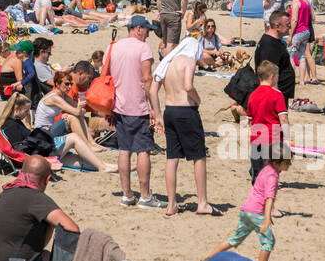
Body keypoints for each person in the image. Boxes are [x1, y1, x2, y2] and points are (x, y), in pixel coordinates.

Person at [200, 144, 290, 261]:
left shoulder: (265, 169)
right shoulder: (273, 176)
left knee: (235, 239)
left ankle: (209, 257)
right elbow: (269, 198)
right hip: (256, 213)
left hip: (246, 211)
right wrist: (267, 218)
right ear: (276, 162)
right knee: (268, 242)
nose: (289, 166)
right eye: (287, 163)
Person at [111, 16, 164, 209]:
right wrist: (155, 110)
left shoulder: (114, 47)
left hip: (119, 105)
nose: (149, 33)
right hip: (138, 105)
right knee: (143, 150)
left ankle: (126, 195)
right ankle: (145, 196)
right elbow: (147, 79)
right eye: (147, 30)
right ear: (138, 28)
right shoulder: (143, 48)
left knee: (124, 150)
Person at [157, 47, 215, 217]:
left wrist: (157, 112)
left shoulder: (168, 62)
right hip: (185, 111)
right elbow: (188, 86)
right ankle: (202, 202)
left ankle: (171, 203)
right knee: (199, 156)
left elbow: (154, 86)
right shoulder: (188, 61)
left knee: (172, 157)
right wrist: (198, 100)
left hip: (169, 110)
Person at [32, 75, 117, 172]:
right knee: (72, 117)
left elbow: (81, 112)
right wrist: (78, 109)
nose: (69, 87)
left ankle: (92, 143)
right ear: (57, 84)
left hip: (50, 129)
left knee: (76, 116)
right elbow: (76, 111)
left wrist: (80, 108)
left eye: (70, 84)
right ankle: (88, 145)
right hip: (42, 132)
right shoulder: (55, 97)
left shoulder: (64, 96)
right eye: (66, 84)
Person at [245, 59, 289, 182]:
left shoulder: (252, 95)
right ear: (271, 76)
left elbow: (249, 120)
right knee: (271, 173)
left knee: (257, 173)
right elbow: (283, 119)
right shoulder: (277, 95)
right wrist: (286, 139)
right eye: (277, 77)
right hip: (272, 139)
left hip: (256, 140)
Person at [254, 10, 295, 101]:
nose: (290, 27)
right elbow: (268, 74)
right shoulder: (270, 45)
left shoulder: (274, 41)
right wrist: (275, 96)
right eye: (288, 25)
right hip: (275, 95)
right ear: (277, 26)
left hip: (280, 93)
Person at [288, 0, 318, 84]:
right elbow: (313, 17)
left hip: (298, 31)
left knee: (291, 55)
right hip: (307, 31)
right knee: (302, 56)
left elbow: (294, 19)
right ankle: (302, 80)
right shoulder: (306, 1)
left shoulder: (296, 2)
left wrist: (290, 35)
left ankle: (291, 80)